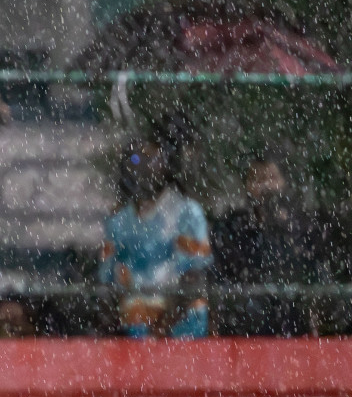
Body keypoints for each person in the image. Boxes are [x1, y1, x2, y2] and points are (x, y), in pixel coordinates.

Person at [100, 141, 213, 338]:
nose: (141, 167)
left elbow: (195, 277)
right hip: (131, 329)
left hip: (180, 327)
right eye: (134, 159)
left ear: (167, 166)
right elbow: (106, 281)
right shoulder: (117, 221)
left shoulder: (187, 213)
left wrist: (163, 324)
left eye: (152, 160)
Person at [212, 158, 319, 336]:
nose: (265, 187)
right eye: (256, 179)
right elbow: (221, 281)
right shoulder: (231, 227)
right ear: (246, 185)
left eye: (271, 178)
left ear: (284, 183)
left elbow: (311, 281)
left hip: (291, 332)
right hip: (243, 333)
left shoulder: (300, 227)